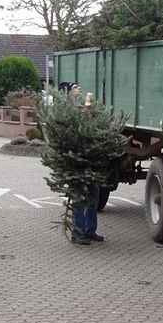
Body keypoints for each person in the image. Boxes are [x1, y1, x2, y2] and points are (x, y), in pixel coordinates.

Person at [59, 82, 105, 245]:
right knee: (79, 198)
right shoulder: (66, 110)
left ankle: (90, 230)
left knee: (94, 195)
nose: (78, 90)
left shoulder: (83, 107)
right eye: (75, 88)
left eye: (79, 87)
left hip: (90, 160)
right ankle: (78, 233)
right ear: (67, 93)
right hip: (76, 162)